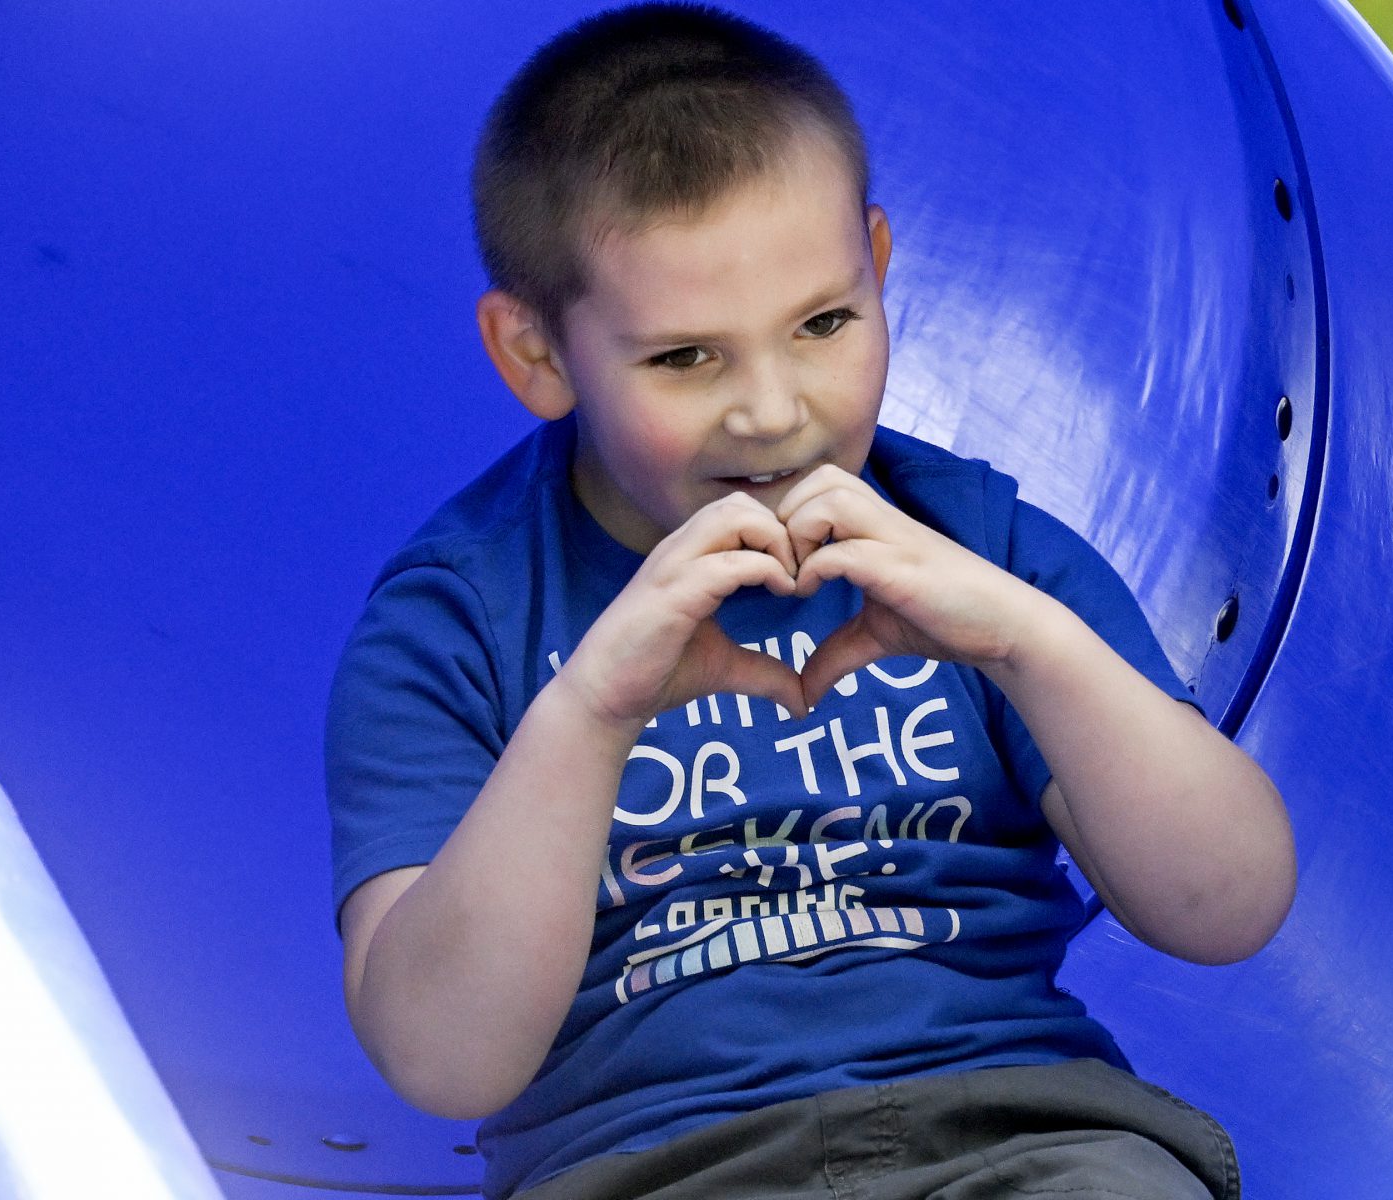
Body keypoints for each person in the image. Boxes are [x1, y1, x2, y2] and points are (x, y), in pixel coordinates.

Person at [325, 5, 1295, 1197]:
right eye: (685, 357)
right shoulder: (459, 618)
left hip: (1019, 1135)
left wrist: (1022, 641)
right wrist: (587, 713)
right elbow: (441, 1057)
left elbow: (1228, 904)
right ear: (536, 355)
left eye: (824, 323)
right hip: (659, 1169)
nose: (773, 410)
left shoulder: (971, 547)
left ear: (877, 266)